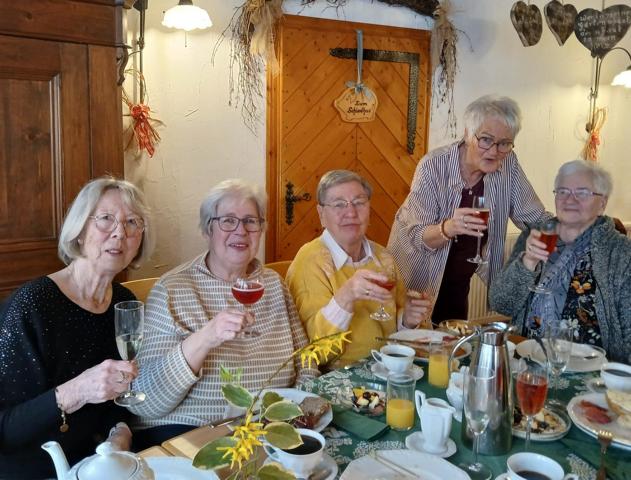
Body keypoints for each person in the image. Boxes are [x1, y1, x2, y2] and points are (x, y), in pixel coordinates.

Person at [130, 179, 318, 448]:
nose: (241, 231)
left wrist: (301, 408)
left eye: (250, 221)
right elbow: (146, 400)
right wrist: (207, 337)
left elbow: (306, 359)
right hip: (192, 431)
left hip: (270, 426)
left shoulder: (273, 284)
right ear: (208, 229)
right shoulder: (173, 289)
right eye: (228, 221)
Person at [0, 177, 154, 479]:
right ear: (80, 231)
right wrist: (78, 390)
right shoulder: (32, 306)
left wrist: (120, 435)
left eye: (132, 222)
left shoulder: (124, 302)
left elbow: (118, 399)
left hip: (95, 465)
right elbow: (5, 429)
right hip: (32, 469)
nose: (120, 233)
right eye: (106, 218)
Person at [387, 94, 550, 324]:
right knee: (413, 340)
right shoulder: (434, 165)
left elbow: (535, 218)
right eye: (486, 139)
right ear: (467, 134)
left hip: (458, 281)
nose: (494, 151)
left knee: (451, 341)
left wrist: (575, 226)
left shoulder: (508, 163)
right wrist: (449, 228)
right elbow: (417, 236)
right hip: (416, 279)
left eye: (504, 143)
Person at [285, 170, 432, 369]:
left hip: (386, 367)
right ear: (321, 214)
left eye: (359, 202)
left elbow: (396, 330)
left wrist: (407, 320)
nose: (351, 213)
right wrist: (346, 296)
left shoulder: (383, 257)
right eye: (339, 204)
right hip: (340, 376)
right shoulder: (310, 262)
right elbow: (315, 353)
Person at [489, 160, 631, 363]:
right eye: (563, 191)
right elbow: (501, 304)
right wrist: (527, 262)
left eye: (582, 192)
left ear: (602, 204)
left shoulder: (621, 253)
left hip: (591, 372)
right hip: (529, 363)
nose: (570, 199)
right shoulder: (534, 236)